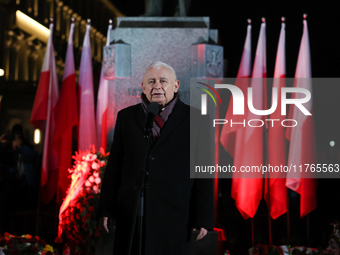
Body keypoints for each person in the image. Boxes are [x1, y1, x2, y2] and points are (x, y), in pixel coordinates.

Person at [98, 61, 214, 255]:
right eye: (151, 81)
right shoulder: (126, 117)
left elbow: (203, 171)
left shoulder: (197, 119)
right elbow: (115, 167)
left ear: (176, 85)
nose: (157, 86)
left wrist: (202, 217)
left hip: (174, 216)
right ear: (143, 87)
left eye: (163, 81)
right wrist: (106, 209)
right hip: (132, 215)